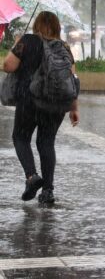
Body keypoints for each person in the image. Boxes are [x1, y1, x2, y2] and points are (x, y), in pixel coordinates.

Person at [3, 11, 80, 204]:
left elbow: (8, 66)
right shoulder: (63, 47)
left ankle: (32, 176)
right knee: (46, 143)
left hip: (29, 101)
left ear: (36, 25)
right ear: (56, 27)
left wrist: (16, 44)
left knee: (20, 138)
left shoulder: (27, 41)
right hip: (55, 105)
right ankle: (48, 191)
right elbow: (73, 79)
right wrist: (74, 108)